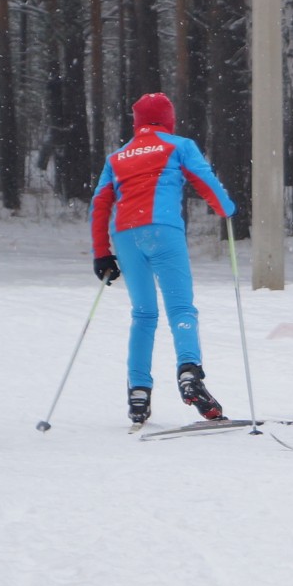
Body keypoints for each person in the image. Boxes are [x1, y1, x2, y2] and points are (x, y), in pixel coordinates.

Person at [89, 92, 237, 428]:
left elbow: (99, 203)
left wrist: (101, 252)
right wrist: (225, 209)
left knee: (143, 314)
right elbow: (206, 181)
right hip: (163, 230)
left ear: (136, 122)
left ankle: (138, 392)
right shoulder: (178, 145)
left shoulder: (117, 157)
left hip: (125, 236)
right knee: (181, 309)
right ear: (168, 119)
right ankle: (189, 372)